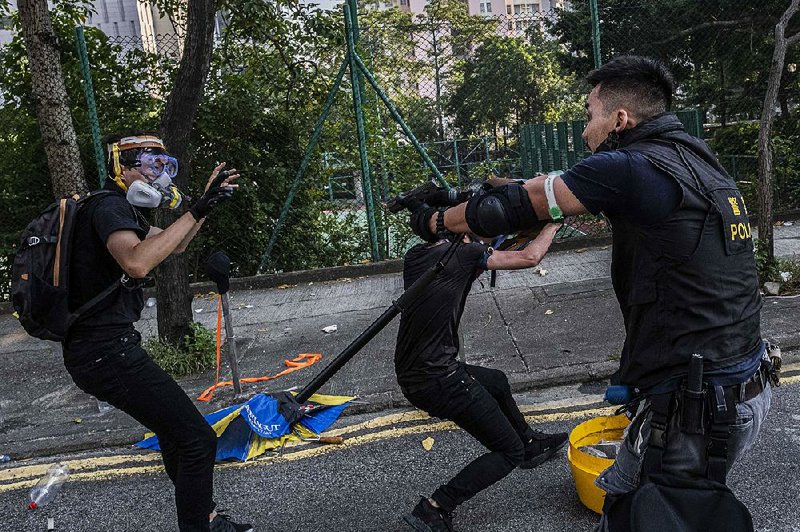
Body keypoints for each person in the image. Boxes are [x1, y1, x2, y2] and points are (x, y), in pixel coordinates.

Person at [406, 56, 771, 527]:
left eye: (588, 115)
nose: (584, 131)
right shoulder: (696, 159)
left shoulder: (632, 167)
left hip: (698, 405)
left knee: (647, 516)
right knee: (623, 498)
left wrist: (435, 220)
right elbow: (550, 190)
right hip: (732, 381)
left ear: (620, 120)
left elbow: (516, 207)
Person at [62, 133, 252, 532]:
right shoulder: (109, 207)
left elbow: (174, 247)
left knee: (175, 432)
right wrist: (194, 209)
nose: (160, 175)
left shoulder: (119, 212)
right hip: (103, 352)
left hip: (106, 348)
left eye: (166, 167)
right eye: (150, 165)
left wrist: (201, 208)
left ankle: (207, 516)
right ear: (122, 167)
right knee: (197, 440)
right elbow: (136, 263)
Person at [396, 224, 568, 532]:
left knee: (496, 381)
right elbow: (530, 257)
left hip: (416, 373)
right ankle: (435, 508)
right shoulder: (466, 254)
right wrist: (553, 222)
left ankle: (530, 444)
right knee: (507, 452)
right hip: (440, 380)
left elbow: (481, 261)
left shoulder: (419, 256)